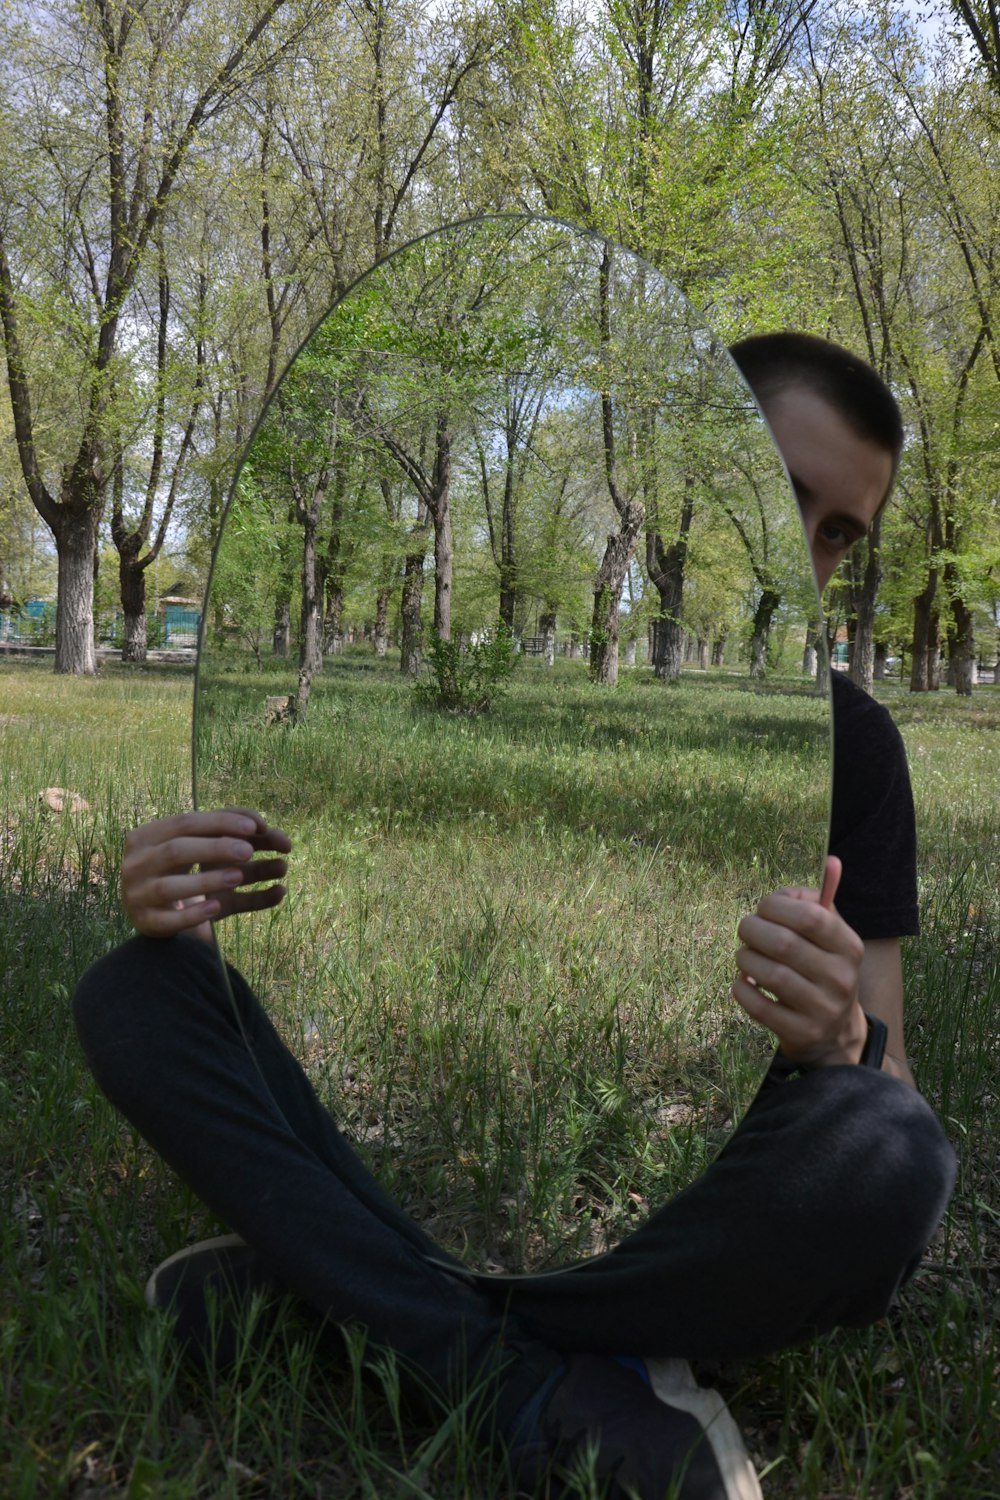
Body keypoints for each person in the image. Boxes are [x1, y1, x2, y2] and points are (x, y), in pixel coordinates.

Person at [72, 333, 956, 1500]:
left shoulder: (862, 750)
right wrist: (173, 908)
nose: (809, 546)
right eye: (783, 491)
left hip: (697, 1219)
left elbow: (889, 1091)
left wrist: (841, 1039)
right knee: (129, 994)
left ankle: (363, 1300)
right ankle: (546, 1386)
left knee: (895, 1166)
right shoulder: (477, 698)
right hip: (414, 1179)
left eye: (838, 529)